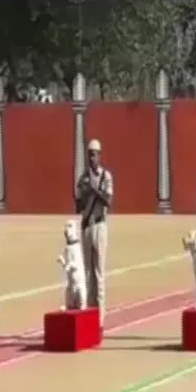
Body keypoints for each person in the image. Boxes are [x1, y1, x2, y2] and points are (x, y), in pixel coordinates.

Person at [76, 139, 114, 330]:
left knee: (99, 273)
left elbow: (108, 201)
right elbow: (78, 205)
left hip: (100, 225)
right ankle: (90, 314)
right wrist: (84, 193)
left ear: (100, 155)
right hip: (86, 226)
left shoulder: (106, 176)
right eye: (89, 154)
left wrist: (93, 190)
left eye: (95, 154)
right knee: (87, 273)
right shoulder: (82, 178)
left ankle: (99, 318)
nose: (92, 157)